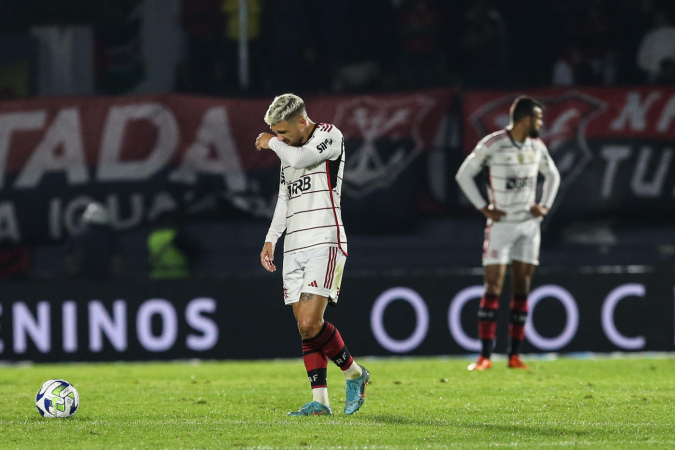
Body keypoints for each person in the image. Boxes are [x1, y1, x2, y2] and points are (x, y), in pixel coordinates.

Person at [255, 93, 369, 416]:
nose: (279, 138)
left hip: (324, 240)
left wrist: (270, 144)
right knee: (305, 328)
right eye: (275, 133)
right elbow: (284, 198)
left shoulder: (329, 136)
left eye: (283, 132)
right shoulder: (287, 152)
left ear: (302, 121)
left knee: (311, 320)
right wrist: (271, 239)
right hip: (294, 247)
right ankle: (320, 402)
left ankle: (355, 374)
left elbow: (302, 158)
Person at [455, 96, 560, 371]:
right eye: (538, 118)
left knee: (523, 288)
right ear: (526, 119)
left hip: (528, 225)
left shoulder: (536, 146)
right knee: (493, 286)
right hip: (501, 226)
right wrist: (483, 208)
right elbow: (464, 175)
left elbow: (553, 175)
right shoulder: (493, 143)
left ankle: (514, 355)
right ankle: (485, 356)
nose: (541, 122)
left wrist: (545, 206)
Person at [64, 202, 123, 280]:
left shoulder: (77, 233)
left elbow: (68, 256)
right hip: (106, 280)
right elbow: (118, 257)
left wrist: (73, 275)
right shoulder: (110, 234)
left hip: (81, 280)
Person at [148, 212, 199, 279]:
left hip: (157, 275)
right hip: (177, 275)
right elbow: (193, 253)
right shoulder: (176, 236)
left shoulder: (153, 236)